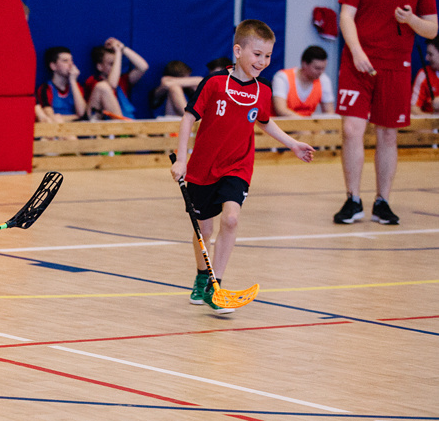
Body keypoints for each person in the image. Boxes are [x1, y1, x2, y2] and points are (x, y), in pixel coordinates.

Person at [170, 20, 314, 314]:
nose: (263, 62)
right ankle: (202, 276)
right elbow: (188, 118)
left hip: (238, 166)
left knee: (232, 219)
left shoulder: (262, 91)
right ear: (238, 50)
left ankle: (215, 285)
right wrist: (182, 159)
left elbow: (264, 121)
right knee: (204, 231)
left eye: (268, 56)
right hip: (202, 168)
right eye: (257, 54)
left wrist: (292, 143)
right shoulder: (213, 84)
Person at [333, 0, 437, 226]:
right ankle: (353, 199)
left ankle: (383, 201)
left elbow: (431, 29)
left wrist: (411, 21)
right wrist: (357, 51)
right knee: (351, 130)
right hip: (358, 63)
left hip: (396, 66)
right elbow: (346, 16)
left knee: (388, 134)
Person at [82, 38, 148, 119]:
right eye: (111, 64)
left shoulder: (123, 80)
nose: (116, 67)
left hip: (126, 122)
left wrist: (122, 47)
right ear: (100, 66)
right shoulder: (93, 81)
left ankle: (125, 128)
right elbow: (112, 84)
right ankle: (122, 128)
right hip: (100, 122)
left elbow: (143, 67)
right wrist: (118, 53)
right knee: (103, 87)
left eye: (117, 62)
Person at [271, 45, 335, 117]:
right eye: (317, 68)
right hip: (281, 126)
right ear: (304, 64)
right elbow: (281, 110)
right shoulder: (282, 77)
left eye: (323, 68)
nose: (321, 72)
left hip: (307, 126)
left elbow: (329, 113)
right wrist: (304, 125)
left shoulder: (324, 80)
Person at [35, 46, 87, 122]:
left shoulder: (76, 86)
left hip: (78, 128)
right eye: (65, 61)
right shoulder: (46, 88)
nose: (71, 64)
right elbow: (50, 116)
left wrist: (72, 81)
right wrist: (76, 116)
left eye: (71, 60)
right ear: (53, 66)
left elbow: (82, 113)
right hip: (58, 128)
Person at [411, 37, 439, 114]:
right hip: (431, 123)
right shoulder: (424, 74)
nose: (426, 58)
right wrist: (433, 120)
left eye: (430, 54)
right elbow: (413, 109)